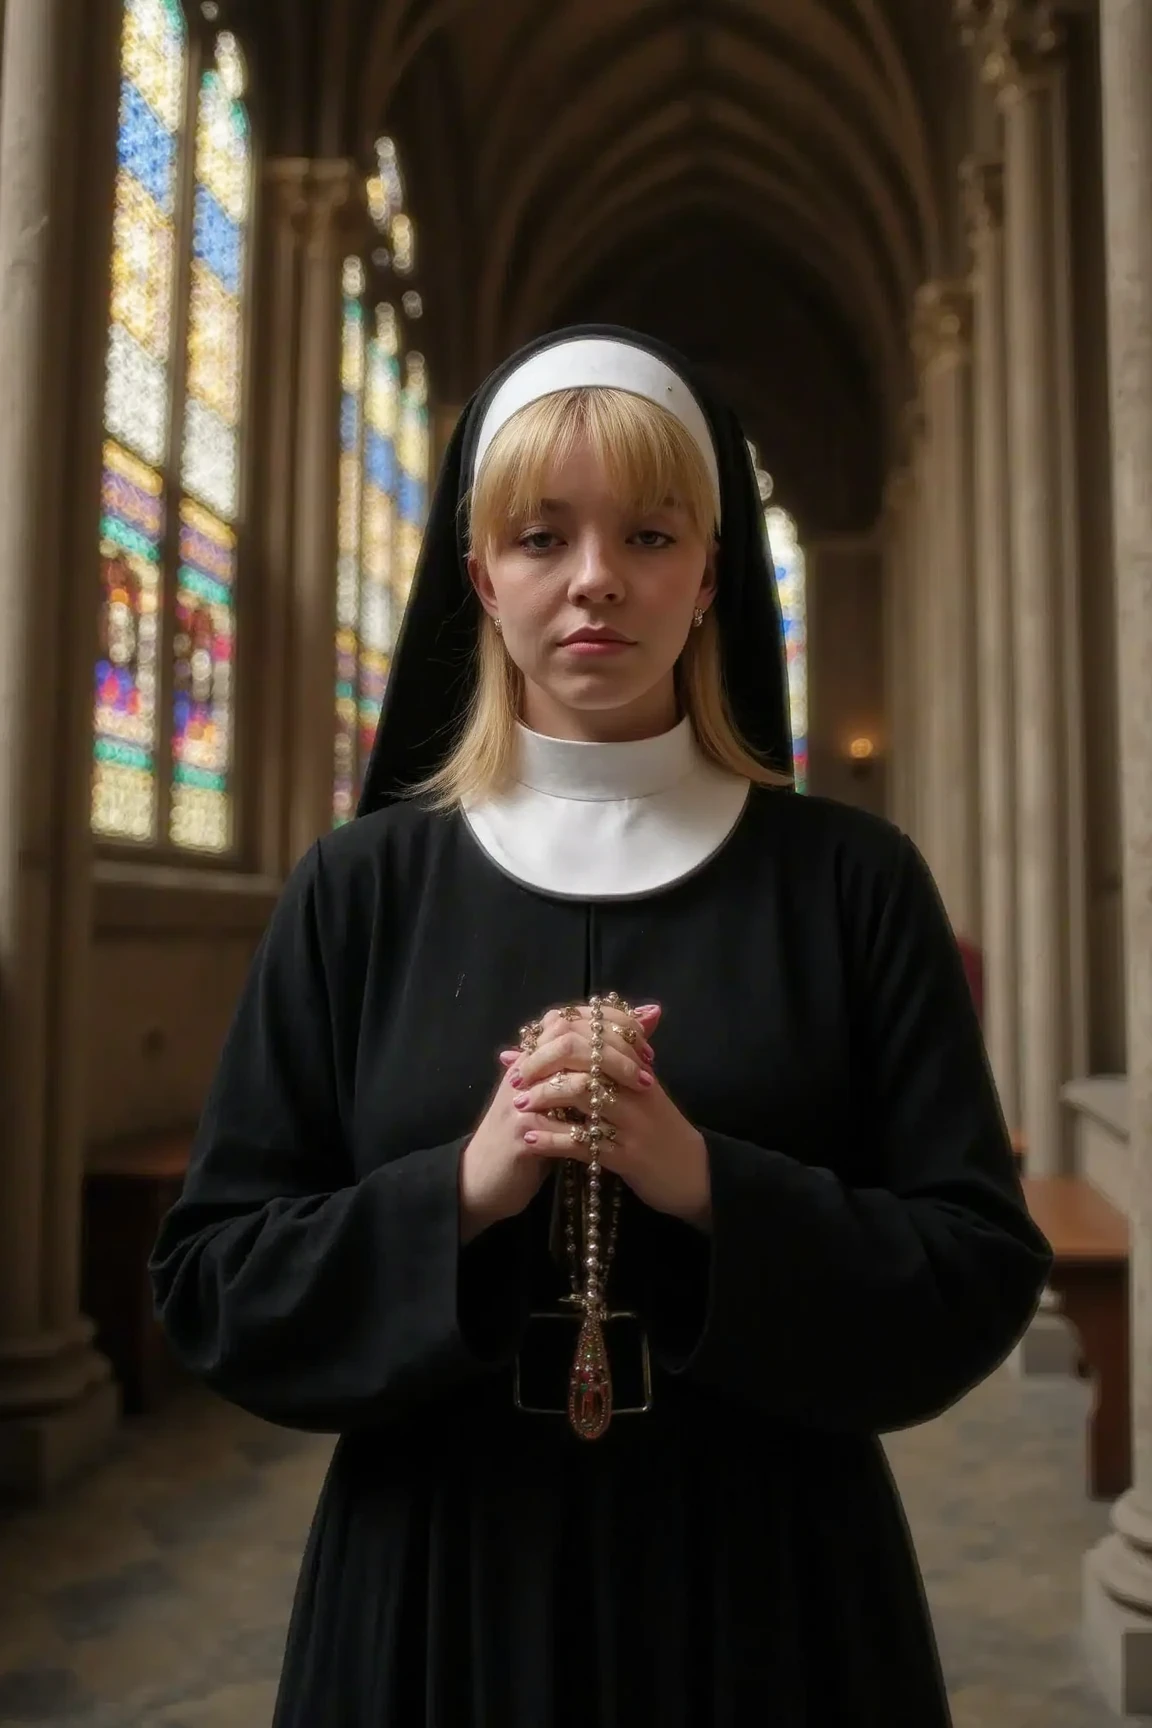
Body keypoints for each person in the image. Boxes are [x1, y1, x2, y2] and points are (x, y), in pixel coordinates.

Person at [150, 327, 1053, 1726]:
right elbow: (213, 1282)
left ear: (708, 578)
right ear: (478, 580)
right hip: (435, 1587)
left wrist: (704, 1183)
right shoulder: (362, 888)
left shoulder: (849, 882)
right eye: (538, 537)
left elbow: (977, 1272)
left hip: (775, 1587)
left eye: (646, 534)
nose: (594, 582)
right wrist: (463, 1188)